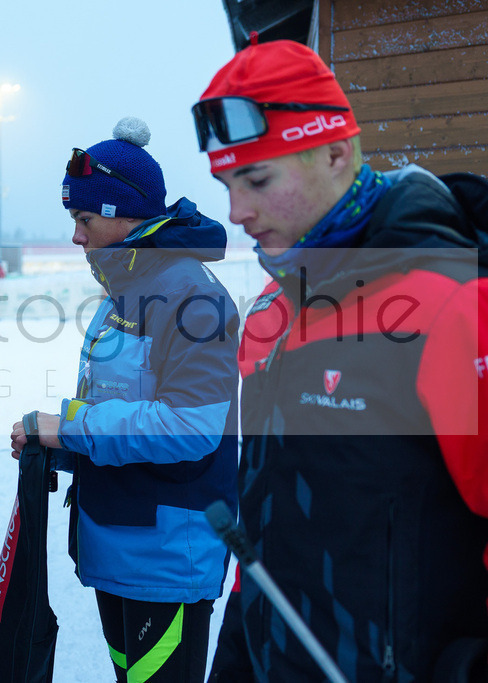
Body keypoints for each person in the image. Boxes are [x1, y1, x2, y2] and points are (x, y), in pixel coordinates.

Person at [193, 38, 488, 681]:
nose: (237, 212)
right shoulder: (269, 315)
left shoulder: (455, 304)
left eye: (257, 179)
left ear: (336, 153)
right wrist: (237, 654)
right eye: (226, 184)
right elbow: (266, 524)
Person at [10, 117, 240, 682]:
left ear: (124, 214)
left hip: (166, 556)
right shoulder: (127, 291)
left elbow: (189, 427)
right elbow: (118, 404)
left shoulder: (191, 296)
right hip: (117, 544)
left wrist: (68, 427)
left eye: (84, 219)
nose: (76, 236)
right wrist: (58, 447)